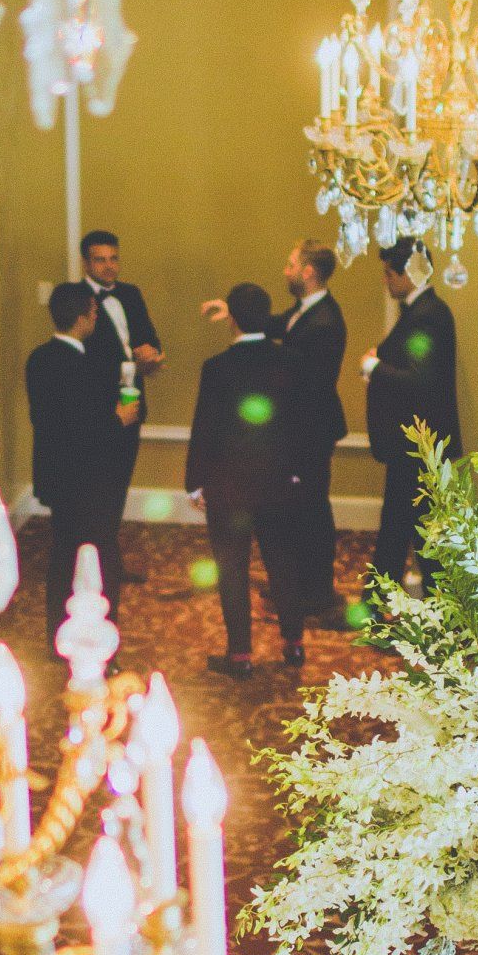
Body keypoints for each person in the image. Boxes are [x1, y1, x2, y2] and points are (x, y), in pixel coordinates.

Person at [203, 240, 348, 625]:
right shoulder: (307, 312)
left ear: (307, 273)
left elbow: (309, 389)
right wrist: (233, 311)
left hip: (313, 431)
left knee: (314, 509)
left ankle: (316, 594)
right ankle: (298, 585)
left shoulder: (326, 323)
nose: (284, 271)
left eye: (289, 265)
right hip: (304, 429)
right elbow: (279, 323)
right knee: (302, 508)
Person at [184, 281, 305, 678]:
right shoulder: (288, 360)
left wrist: (195, 482)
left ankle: (240, 655)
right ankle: (293, 643)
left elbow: (205, 428)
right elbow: (300, 424)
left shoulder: (216, 367)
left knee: (232, 567)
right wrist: (298, 471)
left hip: (229, 483)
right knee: (284, 562)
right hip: (277, 480)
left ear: (231, 319)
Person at [26, 281, 138, 644]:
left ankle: (56, 635)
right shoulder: (87, 367)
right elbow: (89, 428)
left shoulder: (38, 359)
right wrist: (119, 418)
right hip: (90, 479)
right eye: (92, 312)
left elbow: (52, 420)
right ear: (82, 318)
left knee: (62, 554)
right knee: (101, 555)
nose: (95, 318)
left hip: (55, 474)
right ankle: (103, 637)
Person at [363, 240, 460, 592]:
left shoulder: (428, 316)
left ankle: (387, 606)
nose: (385, 281)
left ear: (409, 273)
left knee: (416, 535)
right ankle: (384, 605)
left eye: (389, 274)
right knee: (410, 532)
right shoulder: (423, 312)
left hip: (421, 446)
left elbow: (421, 381)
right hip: (418, 444)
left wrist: (375, 368)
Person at [68, 230, 162, 580]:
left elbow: (148, 339)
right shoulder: (76, 301)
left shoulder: (131, 294)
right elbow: (81, 359)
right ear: (86, 262)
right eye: (100, 260)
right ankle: (95, 565)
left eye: (113, 259)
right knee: (97, 489)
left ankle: (109, 560)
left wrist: (150, 354)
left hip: (132, 404)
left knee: (118, 485)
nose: (109, 267)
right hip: (97, 410)